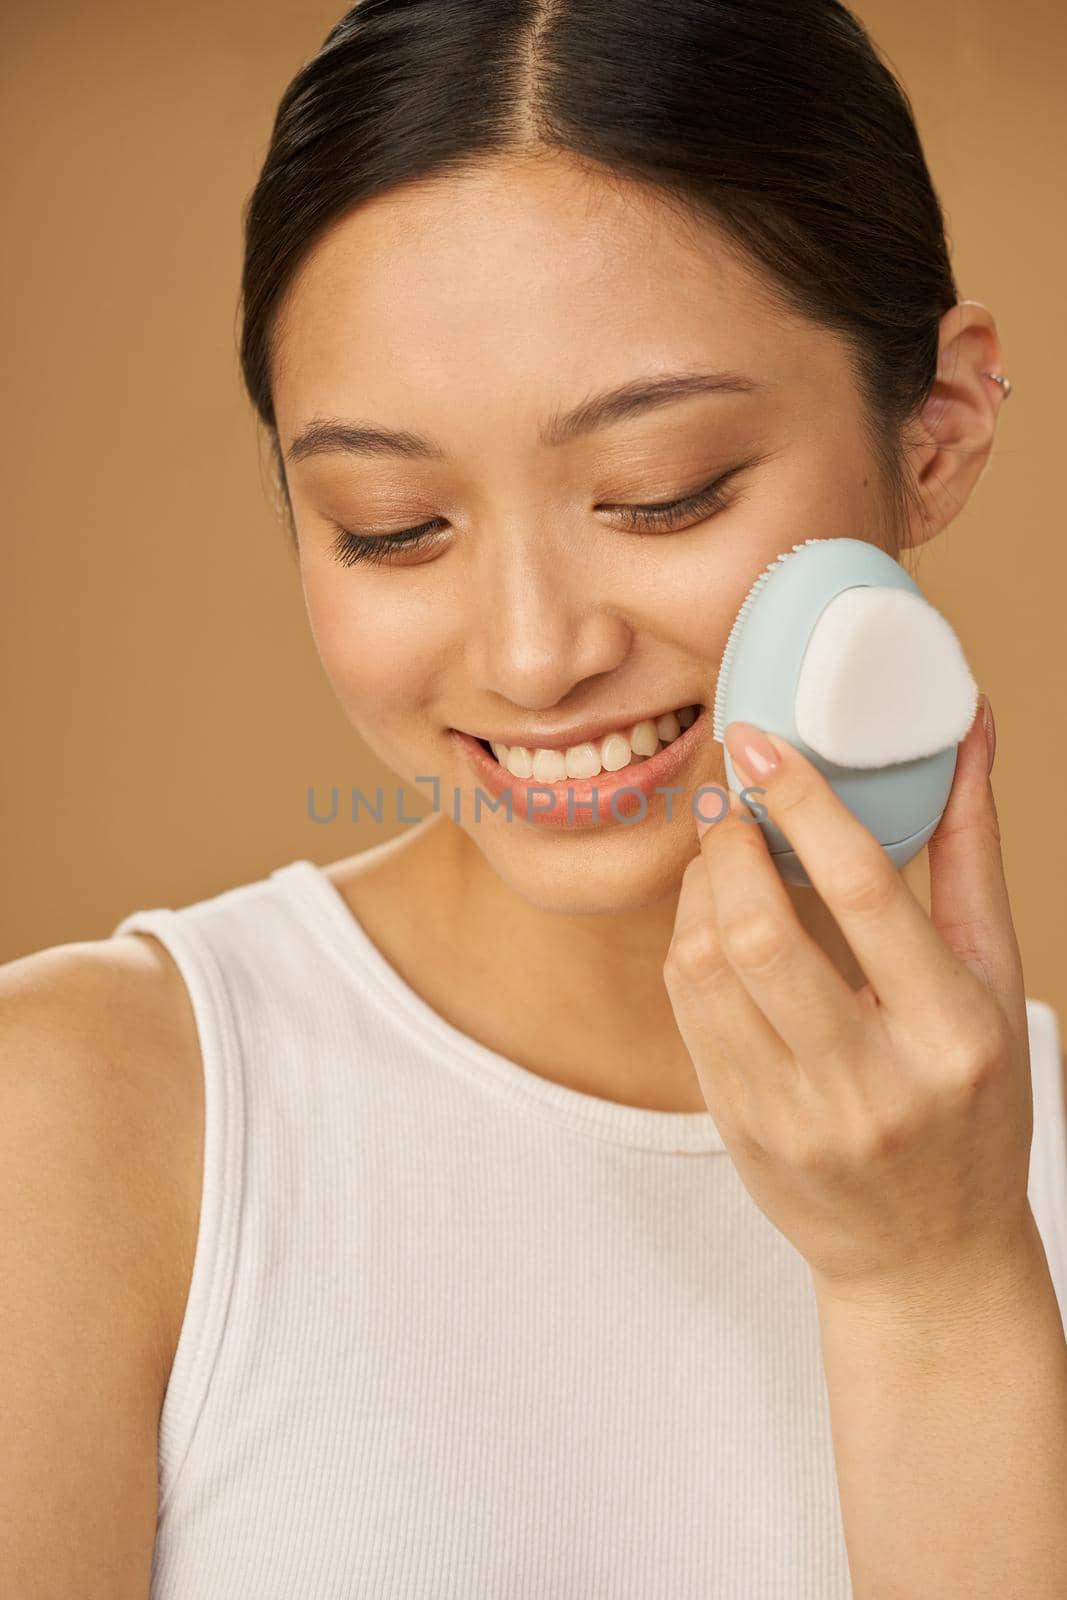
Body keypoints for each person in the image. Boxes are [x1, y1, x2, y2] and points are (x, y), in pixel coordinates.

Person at [3, 2, 1065, 1596]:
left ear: (941, 427)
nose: (533, 654)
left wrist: (939, 1283)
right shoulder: (78, 1127)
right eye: (392, 525)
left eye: (663, 496)